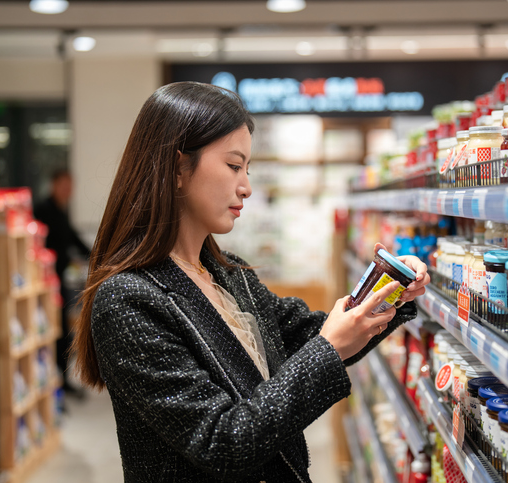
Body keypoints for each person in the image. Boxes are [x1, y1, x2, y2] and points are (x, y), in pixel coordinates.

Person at [73, 82, 431, 483]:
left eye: (248, 169)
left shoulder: (230, 276)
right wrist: (329, 348)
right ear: (176, 168)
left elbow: (308, 334)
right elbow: (222, 442)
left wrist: (390, 291)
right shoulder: (129, 301)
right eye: (232, 165)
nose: (245, 186)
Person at [34, 169, 91, 394]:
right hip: (45, 282)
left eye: (71, 186)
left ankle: (62, 380)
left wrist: (96, 256)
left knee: (64, 331)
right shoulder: (43, 210)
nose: (68, 190)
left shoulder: (61, 210)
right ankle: (55, 381)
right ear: (54, 185)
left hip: (58, 280)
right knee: (55, 332)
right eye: (64, 185)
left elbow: (73, 238)